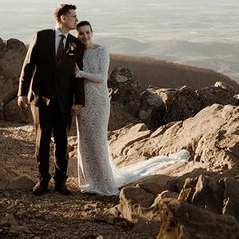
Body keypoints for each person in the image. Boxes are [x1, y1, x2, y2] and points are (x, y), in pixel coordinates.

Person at [74, 20, 190, 196]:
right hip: (83, 103)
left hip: (99, 101)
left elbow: (101, 77)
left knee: (97, 140)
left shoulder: (101, 50)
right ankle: (90, 182)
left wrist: (80, 73)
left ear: (92, 32)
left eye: (87, 32)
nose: (84, 36)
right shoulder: (76, 53)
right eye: (81, 33)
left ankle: (104, 183)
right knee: (85, 141)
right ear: (77, 35)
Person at [18, 3, 85, 196]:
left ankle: (61, 181)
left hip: (64, 101)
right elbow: (28, 66)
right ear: (63, 18)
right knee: (42, 140)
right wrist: (22, 93)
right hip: (40, 99)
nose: (76, 20)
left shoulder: (75, 44)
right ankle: (43, 180)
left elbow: (77, 75)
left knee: (63, 142)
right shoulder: (42, 36)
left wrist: (79, 101)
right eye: (73, 16)